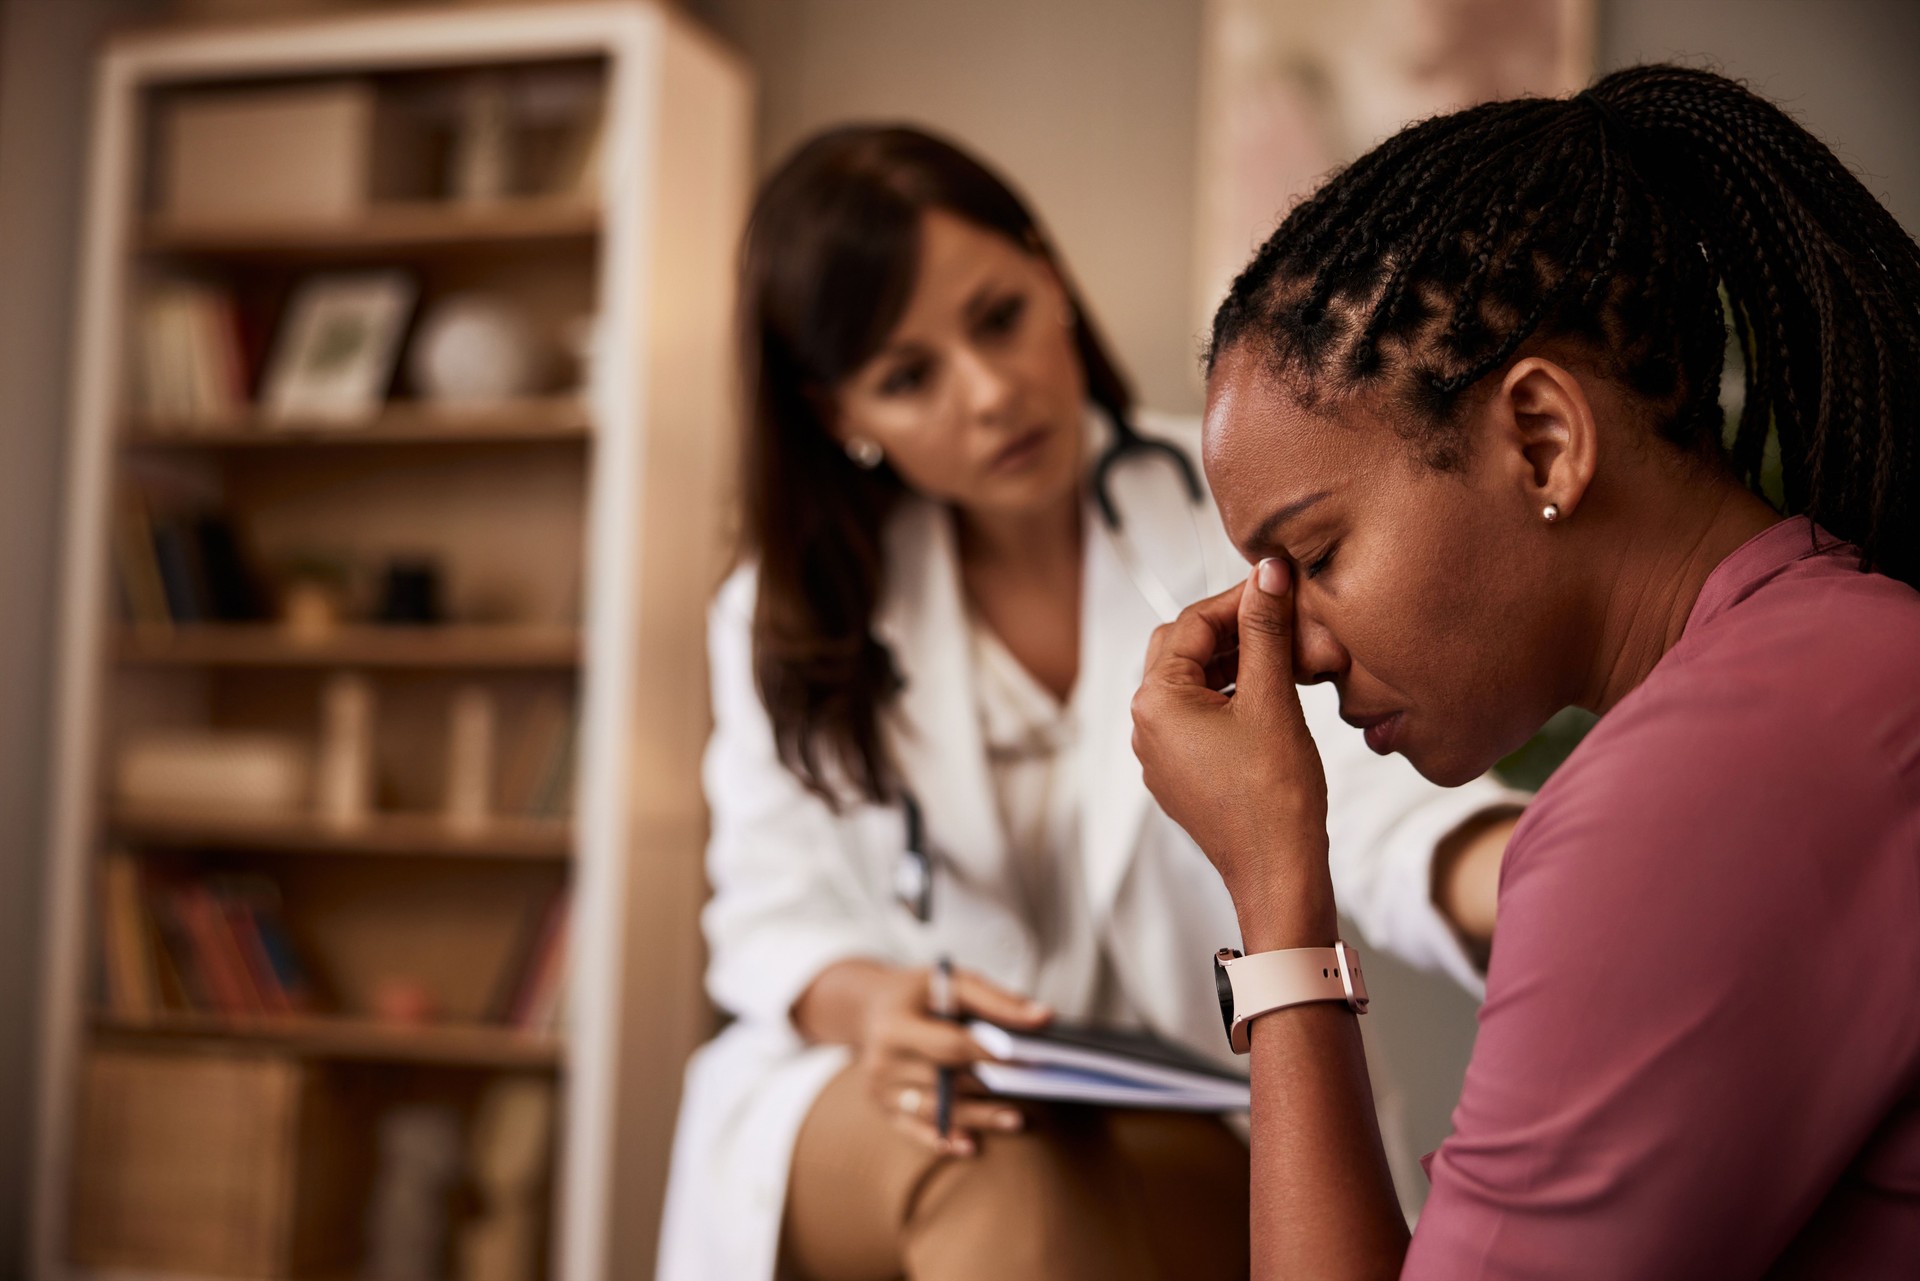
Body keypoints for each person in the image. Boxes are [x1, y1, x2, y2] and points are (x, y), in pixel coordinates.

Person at [655, 125, 1526, 1281]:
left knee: (1033, 1184)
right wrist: (874, 1007)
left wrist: (1543, 874)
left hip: (1188, 1108)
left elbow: (1361, 804)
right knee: (990, 1160)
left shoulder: (1231, 516)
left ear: (1048, 274)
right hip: (892, 1091)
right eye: (909, 378)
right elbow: (766, 918)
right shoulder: (784, 612)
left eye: (999, 317)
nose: (990, 391)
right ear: (836, 414)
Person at [1131, 63, 1920, 1277]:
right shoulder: (1840, 657)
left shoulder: (1688, 799)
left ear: (1543, 442)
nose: (1301, 650)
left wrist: (1275, 887)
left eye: (1317, 554)